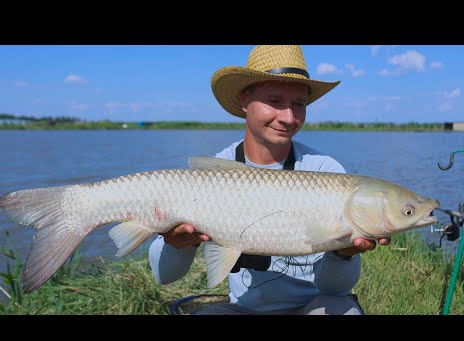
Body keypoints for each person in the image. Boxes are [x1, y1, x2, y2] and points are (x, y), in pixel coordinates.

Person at [148, 45, 391, 315]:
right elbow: (164, 275)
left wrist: (343, 253)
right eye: (275, 101)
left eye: (299, 104)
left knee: (343, 310)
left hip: (310, 307)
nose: (288, 117)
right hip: (242, 309)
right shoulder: (211, 176)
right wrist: (178, 244)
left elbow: (334, 289)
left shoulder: (325, 170)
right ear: (244, 101)